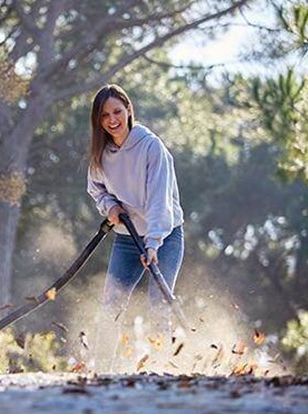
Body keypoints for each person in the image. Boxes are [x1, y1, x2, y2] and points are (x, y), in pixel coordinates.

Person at [87, 84, 184, 370]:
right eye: (104, 115)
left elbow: (159, 200)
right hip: (127, 237)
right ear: (99, 120)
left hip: (164, 236)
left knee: (158, 303)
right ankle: (103, 369)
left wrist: (153, 243)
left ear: (129, 110)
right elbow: (96, 189)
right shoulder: (101, 153)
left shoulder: (152, 147)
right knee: (111, 304)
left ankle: (162, 367)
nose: (112, 119)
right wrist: (111, 207)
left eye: (117, 111)